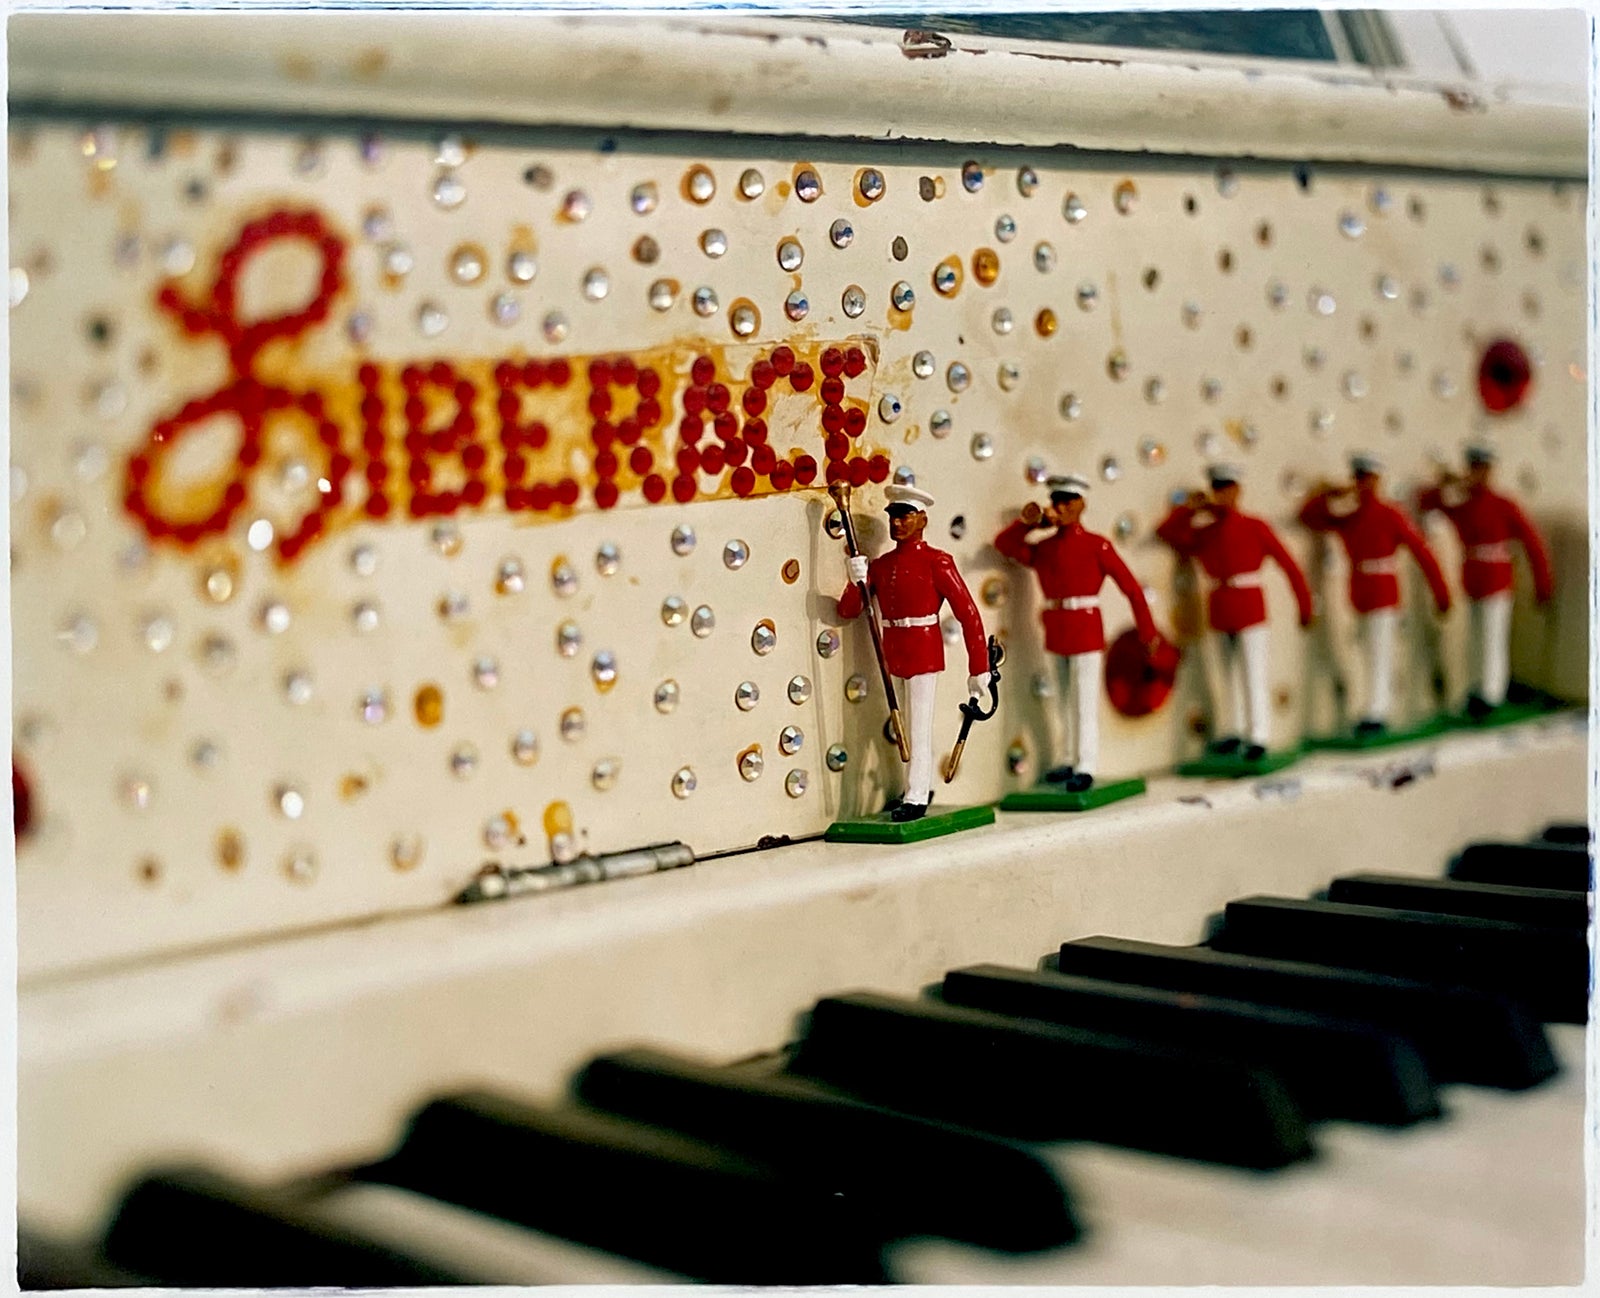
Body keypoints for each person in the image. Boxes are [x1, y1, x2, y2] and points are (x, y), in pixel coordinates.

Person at [994, 472, 1159, 792]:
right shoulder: (1046, 547)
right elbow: (1006, 545)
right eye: (1056, 501)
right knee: (1062, 699)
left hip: (1085, 626)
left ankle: (1085, 764)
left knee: (1083, 699)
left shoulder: (1097, 545)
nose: (1061, 507)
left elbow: (1131, 588)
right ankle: (1067, 759)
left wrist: (1147, 630)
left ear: (1081, 504)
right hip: (1057, 627)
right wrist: (1030, 523)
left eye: (1068, 502)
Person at [837, 483, 989, 821]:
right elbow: (849, 610)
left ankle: (916, 795)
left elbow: (967, 613)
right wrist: (855, 578)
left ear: (922, 519)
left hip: (923, 648)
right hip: (894, 649)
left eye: (905, 516)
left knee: (918, 725)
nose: (897, 523)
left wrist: (979, 667)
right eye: (893, 516)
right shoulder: (881, 564)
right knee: (907, 721)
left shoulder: (938, 561)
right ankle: (925, 783)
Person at [1156, 464, 1313, 760]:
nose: (1222, 495)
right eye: (1217, 489)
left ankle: (1258, 735)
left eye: (1227, 488)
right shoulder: (1205, 530)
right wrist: (1189, 509)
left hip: (1249, 605)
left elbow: (1289, 565)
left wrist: (1304, 603)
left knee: (1253, 671)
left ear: (1238, 490)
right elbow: (1166, 532)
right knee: (1227, 674)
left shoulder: (1255, 526)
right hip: (1220, 606)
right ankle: (1234, 730)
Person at [1298, 452, 1451, 735]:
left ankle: (1378, 710)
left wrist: (1440, 592)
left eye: (1367, 478)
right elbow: (1309, 516)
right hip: (1359, 590)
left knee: (1381, 651)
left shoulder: (1390, 514)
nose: (1362, 484)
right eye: (1358, 478)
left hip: (1383, 589)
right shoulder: (1349, 513)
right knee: (1363, 652)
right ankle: (1367, 706)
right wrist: (1329, 493)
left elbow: (1422, 552)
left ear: (1378, 480)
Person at [1417, 444, 1552, 717]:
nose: (1479, 474)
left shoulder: (1504, 504)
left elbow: (1532, 543)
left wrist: (1543, 583)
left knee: (1493, 638)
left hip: (1497, 579)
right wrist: (1448, 483)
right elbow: (1426, 502)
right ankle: (1477, 689)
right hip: (1473, 580)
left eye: (1483, 468)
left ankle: (1492, 694)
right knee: (1474, 639)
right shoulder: (1463, 504)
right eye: (1474, 468)